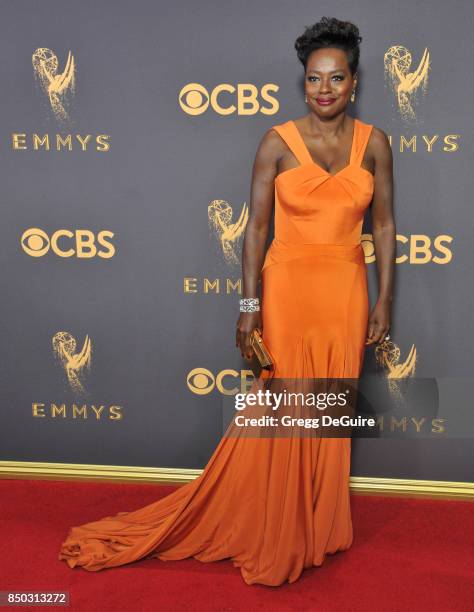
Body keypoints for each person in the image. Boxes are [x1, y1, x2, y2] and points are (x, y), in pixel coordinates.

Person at [58, 17, 395, 586]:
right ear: (303, 83)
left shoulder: (376, 145)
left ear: (354, 83)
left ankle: (318, 522)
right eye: (315, 79)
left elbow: (383, 224)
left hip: (345, 290)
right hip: (288, 290)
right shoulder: (277, 143)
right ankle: (280, 527)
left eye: (336, 79)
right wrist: (248, 305)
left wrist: (384, 298)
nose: (325, 90)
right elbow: (255, 229)